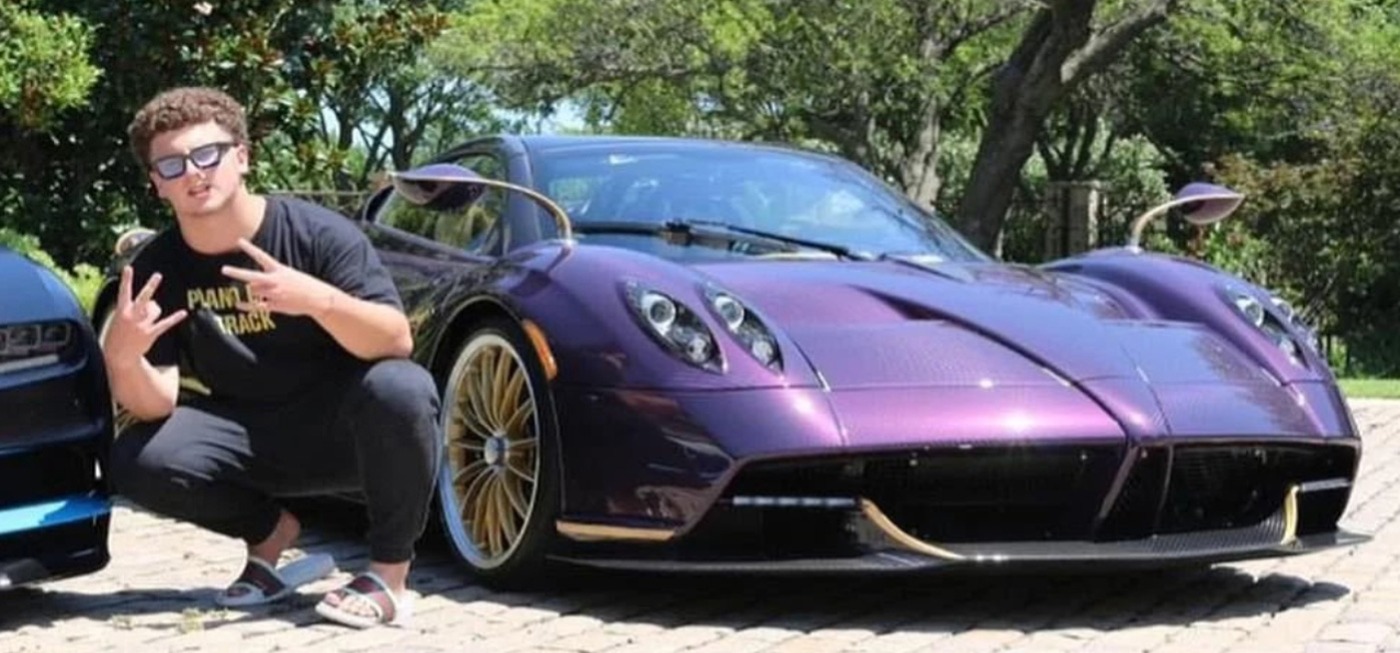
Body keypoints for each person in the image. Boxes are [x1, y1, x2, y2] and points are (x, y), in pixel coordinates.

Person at [103, 86, 441, 629]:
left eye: (207, 154)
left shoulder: (316, 234)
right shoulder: (156, 268)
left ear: (241, 157)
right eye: (171, 164)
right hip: (248, 433)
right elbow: (156, 402)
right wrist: (122, 358)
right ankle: (269, 536)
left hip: (346, 431)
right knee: (136, 457)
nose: (193, 173)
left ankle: (388, 577)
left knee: (402, 387)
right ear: (156, 183)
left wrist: (318, 301)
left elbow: (395, 339)